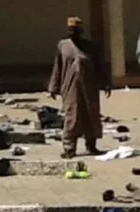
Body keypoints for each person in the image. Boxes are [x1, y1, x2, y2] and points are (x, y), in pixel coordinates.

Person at [48, 17, 110, 159]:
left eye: (76, 30)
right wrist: (53, 86)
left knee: (91, 115)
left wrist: (106, 83)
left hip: (89, 87)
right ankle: (69, 148)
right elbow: (57, 67)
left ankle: (91, 145)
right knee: (72, 116)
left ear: (81, 31)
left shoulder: (91, 47)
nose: (73, 33)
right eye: (71, 30)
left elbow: (100, 66)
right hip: (70, 87)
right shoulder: (63, 45)